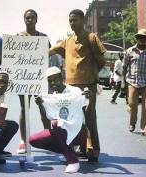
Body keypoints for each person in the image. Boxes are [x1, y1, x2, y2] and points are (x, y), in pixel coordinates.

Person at [49, 9, 106, 162]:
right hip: (70, 88)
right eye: (70, 20)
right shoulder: (67, 41)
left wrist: (90, 74)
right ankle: (79, 148)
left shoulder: (92, 37)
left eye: (75, 20)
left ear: (82, 20)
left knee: (89, 117)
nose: (72, 23)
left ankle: (94, 150)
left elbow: (101, 61)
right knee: (72, 118)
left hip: (88, 86)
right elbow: (49, 51)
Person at [29, 66, 90, 173]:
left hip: (78, 133)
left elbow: (87, 112)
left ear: (62, 77)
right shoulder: (52, 97)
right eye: (50, 81)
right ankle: (67, 150)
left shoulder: (75, 91)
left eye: (55, 79)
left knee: (57, 123)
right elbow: (46, 120)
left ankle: (72, 160)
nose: (53, 83)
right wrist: (40, 105)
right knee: (33, 140)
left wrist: (90, 98)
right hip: (61, 133)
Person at [17, 9, 51, 154]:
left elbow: (47, 55)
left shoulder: (43, 37)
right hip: (23, 78)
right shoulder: (17, 37)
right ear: (24, 20)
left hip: (39, 77)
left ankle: (49, 137)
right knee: (24, 109)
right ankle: (23, 140)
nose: (29, 20)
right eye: (27, 18)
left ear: (37, 20)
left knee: (44, 109)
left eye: (32, 18)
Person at [123, 29, 146, 137]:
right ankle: (132, 122)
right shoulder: (129, 51)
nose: (142, 39)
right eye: (140, 37)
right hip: (132, 81)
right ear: (137, 38)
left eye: (144, 38)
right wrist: (122, 82)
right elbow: (124, 66)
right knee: (132, 104)